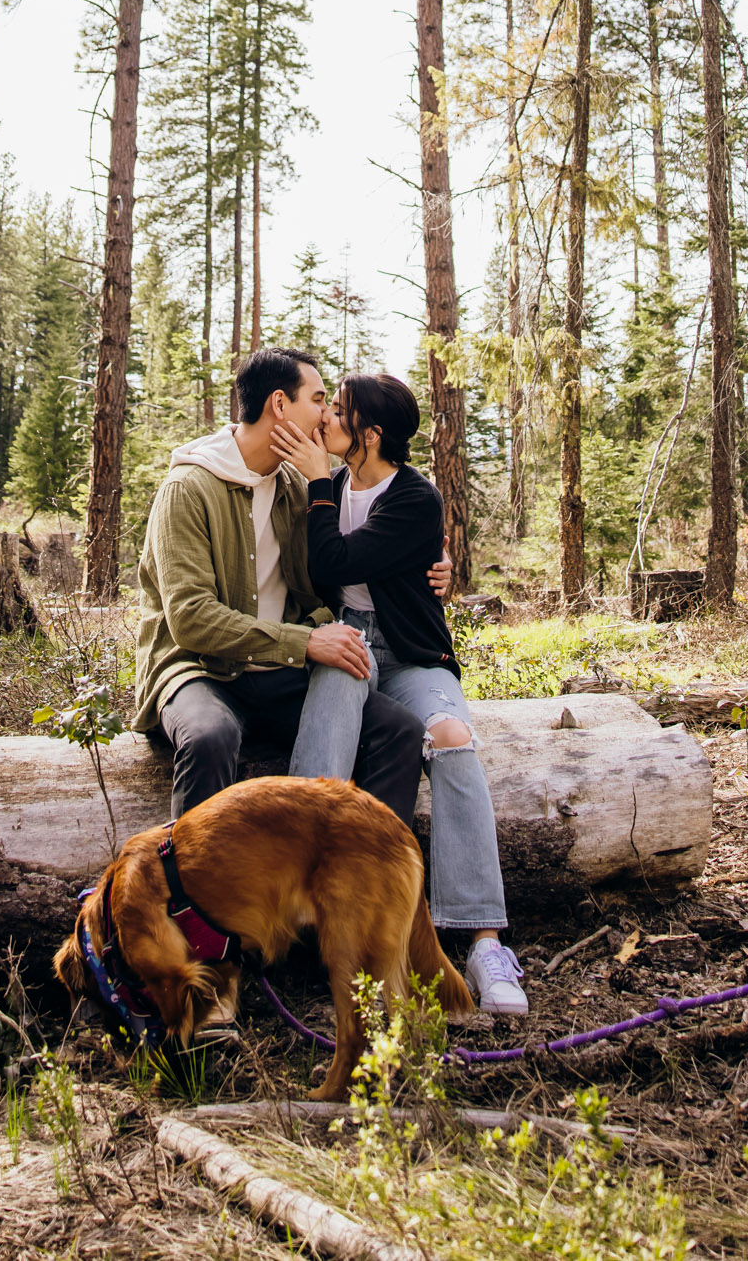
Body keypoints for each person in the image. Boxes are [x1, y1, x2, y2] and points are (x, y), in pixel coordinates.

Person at [271, 371, 529, 1018]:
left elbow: (337, 564)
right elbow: (317, 574)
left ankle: (484, 939)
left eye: (339, 412)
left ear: (370, 434)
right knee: (331, 695)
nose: (325, 418)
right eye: (326, 407)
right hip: (343, 639)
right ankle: (303, 909)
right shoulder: (329, 484)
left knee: (452, 738)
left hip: (410, 649)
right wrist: (321, 486)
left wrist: (319, 488)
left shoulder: (416, 499)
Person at [133, 346, 425, 826]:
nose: (329, 414)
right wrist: (307, 641)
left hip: (275, 670)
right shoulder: (189, 489)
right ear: (279, 405)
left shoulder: (298, 484)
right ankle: (200, 893)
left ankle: (358, 879)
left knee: (399, 731)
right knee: (210, 736)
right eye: (319, 399)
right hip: (199, 669)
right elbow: (190, 619)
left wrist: (435, 559)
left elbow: (372, 520)